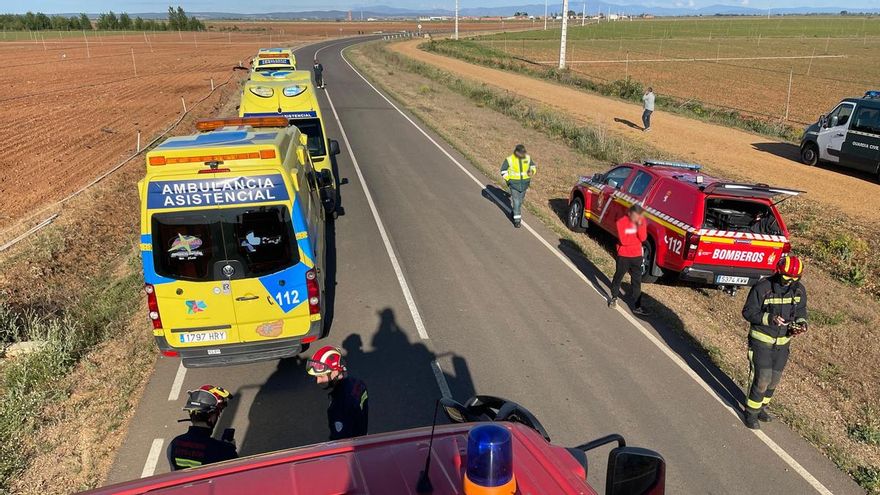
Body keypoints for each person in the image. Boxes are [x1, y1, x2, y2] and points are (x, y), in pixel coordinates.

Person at [741, 256, 808, 430]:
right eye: (786, 278)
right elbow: (748, 312)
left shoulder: (799, 290)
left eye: (795, 279)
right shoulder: (762, 288)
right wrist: (769, 318)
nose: (790, 282)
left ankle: (761, 407)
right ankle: (750, 413)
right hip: (761, 340)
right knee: (763, 378)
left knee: (774, 380)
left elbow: (801, 310)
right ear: (779, 272)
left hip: (783, 344)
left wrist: (801, 324)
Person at [167, 385, 238, 470]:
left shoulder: (174, 444)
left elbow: (174, 472)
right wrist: (230, 448)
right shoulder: (224, 449)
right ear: (211, 418)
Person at [307, 345, 369, 440]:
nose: (318, 381)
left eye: (321, 376)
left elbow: (340, 443)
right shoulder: (358, 384)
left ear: (335, 372)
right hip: (362, 435)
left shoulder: (338, 407)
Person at [608, 204, 649, 315]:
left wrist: (639, 226)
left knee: (637, 281)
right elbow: (623, 241)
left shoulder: (642, 221)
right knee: (618, 276)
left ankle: (637, 306)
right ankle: (614, 297)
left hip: (636, 256)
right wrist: (636, 240)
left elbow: (643, 238)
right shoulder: (621, 222)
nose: (638, 217)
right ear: (630, 213)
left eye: (640, 215)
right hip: (624, 256)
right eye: (636, 215)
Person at [500, 144, 537, 228]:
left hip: (524, 184)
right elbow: (503, 171)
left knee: (520, 201)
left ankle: (514, 212)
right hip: (514, 185)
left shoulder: (527, 158)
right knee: (516, 201)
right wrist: (509, 180)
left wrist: (531, 172)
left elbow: (533, 167)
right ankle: (517, 221)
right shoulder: (509, 159)